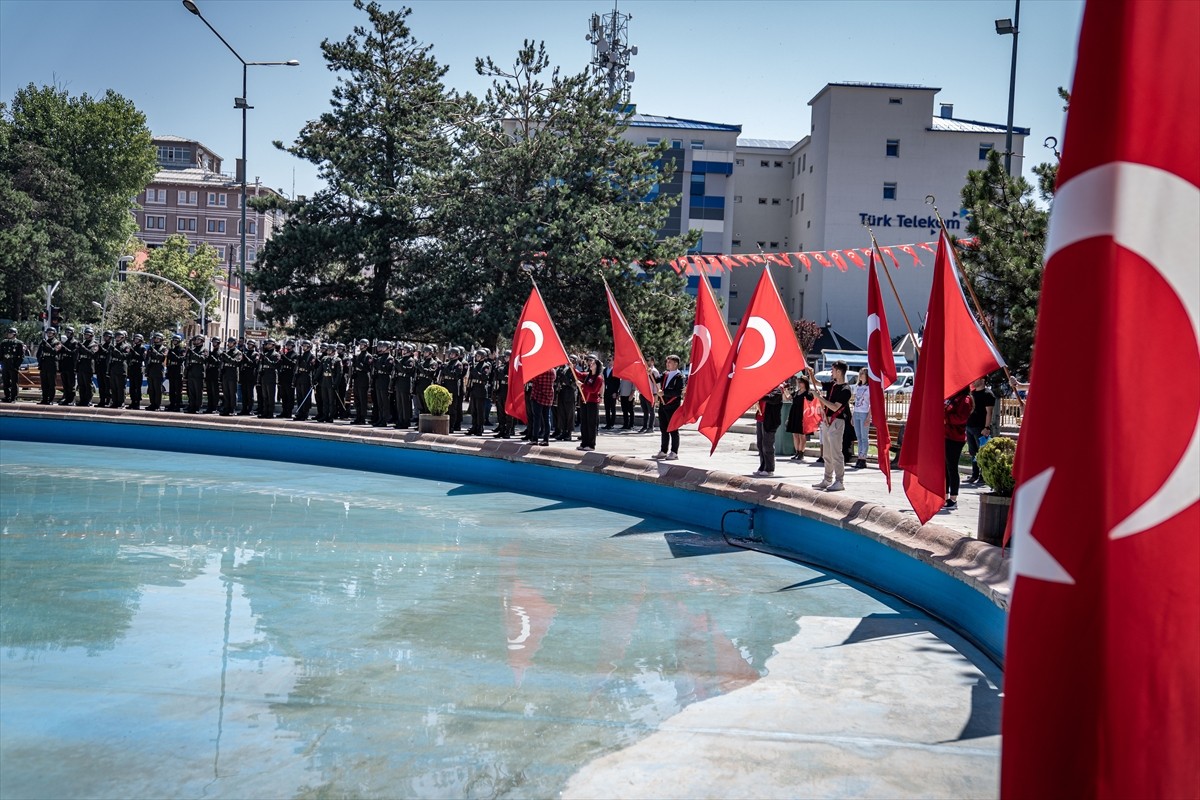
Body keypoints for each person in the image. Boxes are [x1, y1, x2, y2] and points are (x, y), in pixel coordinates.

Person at [811, 360, 851, 492]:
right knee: (827, 453)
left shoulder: (845, 389)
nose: (831, 372)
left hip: (837, 422)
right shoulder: (832, 385)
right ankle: (827, 479)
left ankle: (839, 480)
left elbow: (835, 407)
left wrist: (819, 398)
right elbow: (817, 383)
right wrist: (811, 374)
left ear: (839, 372)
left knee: (836, 452)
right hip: (826, 421)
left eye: (833, 370)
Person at [944, 386, 974, 509]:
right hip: (946, 435)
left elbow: (961, 418)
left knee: (952, 467)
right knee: (945, 467)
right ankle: (945, 496)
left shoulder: (965, 399)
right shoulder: (952, 398)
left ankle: (953, 498)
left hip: (955, 438)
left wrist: (945, 418)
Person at [651, 355, 684, 460]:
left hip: (672, 406)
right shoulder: (665, 374)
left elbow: (678, 392)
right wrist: (649, 373)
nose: (667, 364)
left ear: (676, 364)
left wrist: (665, 393)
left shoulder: (679, 376)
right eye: (667, 362)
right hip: (663, 405)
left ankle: (674, 452)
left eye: (670, 362)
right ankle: (663, 450)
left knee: (673, 429)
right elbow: (655, 380)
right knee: (663, 429)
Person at [965, 377, 996, 484]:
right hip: (969, 426)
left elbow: (989, 412)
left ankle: (983, 476)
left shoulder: (988, 394)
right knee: (973, 452)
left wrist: (987, 427)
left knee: (982, 452)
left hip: (981, 428)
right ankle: (974, 474)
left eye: (977, 379)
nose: (973, 381)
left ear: (983, 380)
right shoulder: (972, 393)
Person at [752, 383, 785, 477]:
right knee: (760, 444)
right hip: (760, 418)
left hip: (770, 421)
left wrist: (761, 395)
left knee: (768, 445)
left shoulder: (777, 390)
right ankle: (763, 466)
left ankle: (769, 468)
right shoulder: (765, 389)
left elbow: (772, 399)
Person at [574, 354, 603, 451]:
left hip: (592, 403)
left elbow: (593, 390)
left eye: (593, 363)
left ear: (597, 366)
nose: (590, 364)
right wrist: (572, 367)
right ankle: (584, 443)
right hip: (584, 401)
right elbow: (578, 375)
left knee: (591, 424)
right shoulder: (588, 375)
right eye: (591, 363)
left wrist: (582, 385)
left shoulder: (598, 378)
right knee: (584, 423)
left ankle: (591, 445)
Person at [785, 375, 818, 461]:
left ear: (805, 383)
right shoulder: (796, 392)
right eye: (798, 382)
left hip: (803, 415)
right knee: (795, 434)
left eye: (801, 382)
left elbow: (812, 404)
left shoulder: (808, 394)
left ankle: (801, 452)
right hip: (794, 414)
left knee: (802, 435)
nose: (799, 384)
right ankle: (797, 451)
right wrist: (784, 390)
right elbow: (787, 398)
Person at [466, 348, 492, 435]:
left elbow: (484, 377)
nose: (477, 357)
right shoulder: (475, 365)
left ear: (483, 357)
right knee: (474, 410)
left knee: (480, 410)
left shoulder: (486, 366)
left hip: (481, 389)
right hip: (474, 388)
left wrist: (475, 371)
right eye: (476, 355)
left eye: (478, 356)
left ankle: (480, 427)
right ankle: (474, 426)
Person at [851, 367, 872, 469]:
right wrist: (853, 415)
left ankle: (863, 458)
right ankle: (859, 457)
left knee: (864, 437)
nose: (861, 375)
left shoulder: (870, 387)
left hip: (864, 413)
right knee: (858, 437)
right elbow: (855, 402)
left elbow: (872, 403)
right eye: (860, 373)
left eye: (863, 373)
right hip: (857, 413)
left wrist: (869, 416)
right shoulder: (858, 387)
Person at [528, 368, 555, 446]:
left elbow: (533, 379)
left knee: (537, 418)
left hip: (538, 396)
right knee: (547, 418)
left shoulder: (538, 370)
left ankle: (535, 439)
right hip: (548, 397)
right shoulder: (553, 371)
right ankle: (546, 439)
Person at [393, 342, 416, 429]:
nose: (403, 352)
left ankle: (405, 421)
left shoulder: (410, 360)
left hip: (406, 382)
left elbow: (406, 370)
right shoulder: (402, 359)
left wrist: (398, 364)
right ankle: (400, 420)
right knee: (399, 403)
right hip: (399, 381)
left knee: (405, 403)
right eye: (403, 350)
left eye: (405, 350)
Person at [350, 338, 373, 425]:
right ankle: (358, 416)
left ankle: (362, 418)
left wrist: (357, 362)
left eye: (362, 344)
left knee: (363, 400)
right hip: (357, 379)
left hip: (364, 379)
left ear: (366, 346)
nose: (360, 346)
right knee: (357, 400)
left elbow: (366, 368)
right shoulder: (359, 355)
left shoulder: (368, 356)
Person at [36, 327, 61, 405]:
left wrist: (47, 345)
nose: (49, 334)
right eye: (48, 333)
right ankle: (44, 399)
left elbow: (54, 352)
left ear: (54, 334)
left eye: (50, 333)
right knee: (44, 383)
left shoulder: (57, 343)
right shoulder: (44, 342)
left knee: (51, 383)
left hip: (52, 364)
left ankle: (50, 399)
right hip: (44, 365)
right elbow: (38, 354)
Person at [292, 341, 316, 421]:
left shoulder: (311, 356)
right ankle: (300, 412)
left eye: (305, 346)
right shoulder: (300, 356)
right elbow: (296, 367)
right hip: (299, 377)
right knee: (299, 397)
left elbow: (311, 368)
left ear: (309, 347)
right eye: (303, 346)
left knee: (305, 396)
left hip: (306, 377)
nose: (304, 347)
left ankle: (305, 413)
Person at [0, 327, 26, 403]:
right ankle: (7, 396)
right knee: (6, 381)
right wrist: (2, 362)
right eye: (8, 333)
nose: (8, 335)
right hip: (6, 363)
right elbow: (1, 354)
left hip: (13, 364)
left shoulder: (19, 343)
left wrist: (16, 365)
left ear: (14, 334)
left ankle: (13, 397)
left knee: (14, 382)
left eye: (10, 333)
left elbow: (21, 356)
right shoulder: (4, 342)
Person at [257, 339, 280, 419]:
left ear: (273, 345)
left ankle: (270, 412)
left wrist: (267, 360)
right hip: (264, 375)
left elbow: (275, 365)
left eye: (269, 344)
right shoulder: (265, 354)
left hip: (271, 376)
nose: (267, 345)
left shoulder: (276, 354)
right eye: (267, 344)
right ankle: (265, 411)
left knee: (270, 396)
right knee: (265, 396)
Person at [144, 333, 167, 411]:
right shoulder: (151, 348)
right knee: (151, 388)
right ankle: (152, 404)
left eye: (157, 338)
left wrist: (155, 352)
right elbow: (147, 359)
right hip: (151, 369)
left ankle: (157, 405)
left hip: (158, 369)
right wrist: (147, 370)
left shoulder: (163, 348)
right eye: (155, 338)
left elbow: (162, 358)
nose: (155, 340)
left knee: (157, 389)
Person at [75, 328, 98, 407]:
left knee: (88, 385)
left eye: (87, 335)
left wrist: (82, 347)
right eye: (85, 334)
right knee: (81, 385)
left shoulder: (94, 344)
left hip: (88, 366)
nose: (86, 336)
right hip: (81, 366)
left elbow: (92, 354)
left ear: (91, 335)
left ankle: (88, 400)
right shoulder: (83, 343)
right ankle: (82, 400)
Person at [219, 337, 242, 416]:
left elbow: (236, 362)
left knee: (232, 393)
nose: (229, 344)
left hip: (233, 375)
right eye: (228, 342)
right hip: (226, 374)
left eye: (230, 342)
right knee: (226, 393)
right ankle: (226, 408)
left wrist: (227, 357)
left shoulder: (238, 353)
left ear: (234, 343)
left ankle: (232, 409)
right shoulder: (227, 352)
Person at [108, 331, 129, 409]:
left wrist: (115, 350)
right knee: (113, 387)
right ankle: (115, 402)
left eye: (119, 337)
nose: (117, 339)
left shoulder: (126, 346)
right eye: (116, 337)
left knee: (120, 387)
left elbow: (123, 356)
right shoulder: (114, 346)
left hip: (121, 368)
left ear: (123, 338)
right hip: (114, 368)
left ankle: (121, 402)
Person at [184, 335, 206, 413]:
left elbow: (202, 359)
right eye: (195, 340)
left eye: (198, 340)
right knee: (191, 391)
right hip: (191, 372)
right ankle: (191, 406)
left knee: (198, 391)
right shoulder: (192, 349)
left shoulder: (204, 350)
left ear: (202, 341)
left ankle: (197, 407)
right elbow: (187, 360)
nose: (196, 341)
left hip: (198, 372)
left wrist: (193, 353)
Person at [57, 326, 77, 406]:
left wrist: (64, 347)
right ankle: (66, 398)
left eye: (69, 332)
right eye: (66, 332)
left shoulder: (74, 342)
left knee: (71, 384)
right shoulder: (65, 342)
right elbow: (61, 353)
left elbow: (73, 353)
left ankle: (71, 399)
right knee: (65, 384)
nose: (67, 334)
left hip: (71, 366)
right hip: (64, 365)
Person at [165, 334, 186, 412]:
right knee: (172, 389)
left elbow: (181, 360)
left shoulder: (182, 350)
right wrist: (168, 369)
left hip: (178, 370)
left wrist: (175, 356)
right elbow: (168, 361)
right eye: (173, 340)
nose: (174, 342)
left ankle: (178, 404)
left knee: (178, 389)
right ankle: (172, 403)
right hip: (171, 370)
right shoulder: (171, 350)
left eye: (176, 340)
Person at [278, 339, 298, 419]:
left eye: (289, 345)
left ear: (293, 346)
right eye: (287, 345)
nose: (288, 347)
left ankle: (289, 412)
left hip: (290, 377)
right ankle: (284, 410)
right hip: (284, 376)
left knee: (290, 396)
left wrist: (283, 356)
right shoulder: (286, 354)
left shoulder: (295, 355)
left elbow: (292, 364)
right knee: (284, 395)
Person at [125, 333, 145, 410]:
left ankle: (137, 403)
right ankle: (133, 402)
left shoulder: (142, 348)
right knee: (132, 387)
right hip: (132, 369)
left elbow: (142, 358)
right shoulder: (132, 348)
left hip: (138, 369)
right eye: (135, 339)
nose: (135, 340)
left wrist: (134, 352)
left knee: (137, 387)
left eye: (137, 339)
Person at [602, 361, 620, 429]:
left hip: (613, 392)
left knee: (612, 408)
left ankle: (612, 424)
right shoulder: (605, 370)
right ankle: (608, 423)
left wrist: (616, 392)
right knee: (607, 408)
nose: (609, 362)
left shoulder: (615, 370)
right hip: (606, 391)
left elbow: (617, 382)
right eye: (608, 360)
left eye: (611, 361)